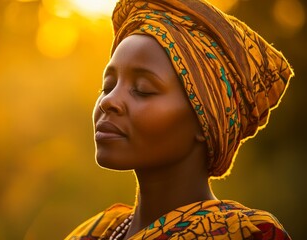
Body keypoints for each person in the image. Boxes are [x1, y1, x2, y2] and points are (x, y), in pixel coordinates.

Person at [65, 0, 293, 239]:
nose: (108, 101)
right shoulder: (92, 233)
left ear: (206, 123)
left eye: (142, 89)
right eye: (107, 86)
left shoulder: (246, 234)